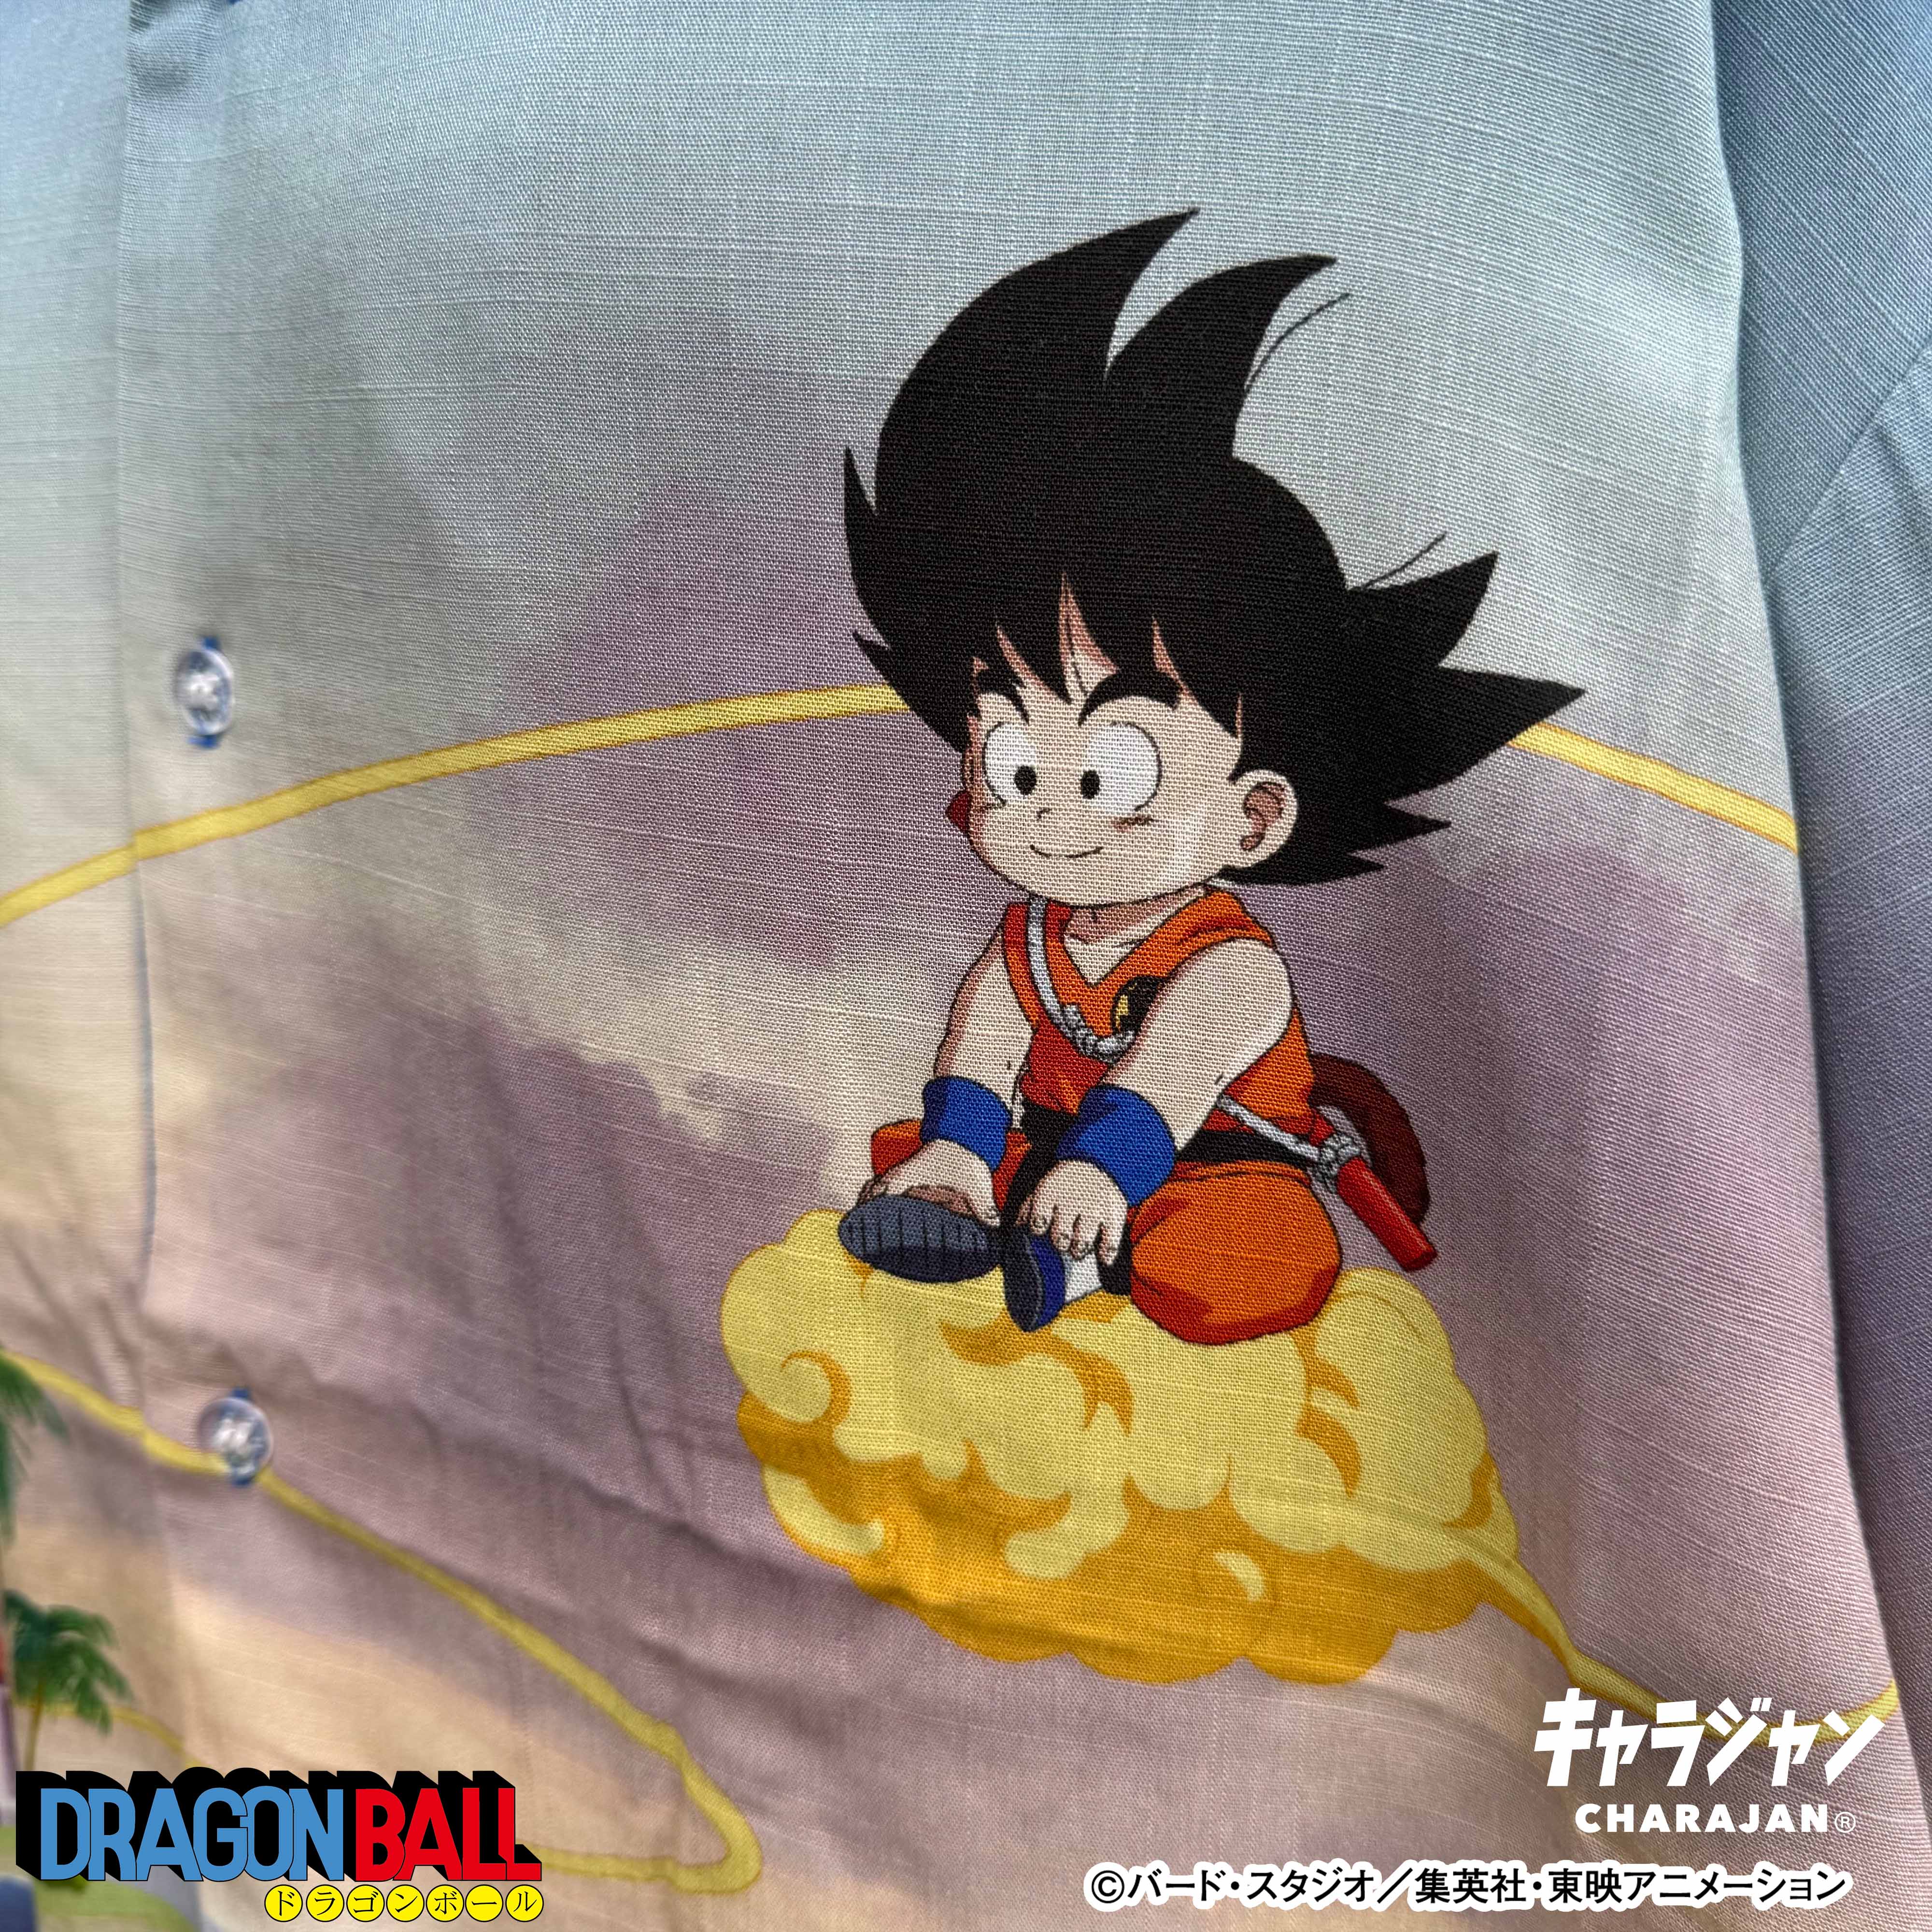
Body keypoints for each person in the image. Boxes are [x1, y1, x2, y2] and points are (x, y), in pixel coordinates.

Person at [835, 214, 1578, 1340]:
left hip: (1209, 1159)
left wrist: (1102, 1175)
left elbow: (1168, 1079)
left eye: (1111, 767)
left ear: (1255, 814)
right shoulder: (1029, 939)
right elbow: (984, 1040)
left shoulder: (1233, 966)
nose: (1042, 809)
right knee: (917, 1145)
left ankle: (1080, 1252)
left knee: (1245, 1256)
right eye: (1012, 759)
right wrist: (958, 1146)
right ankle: (996, 1210)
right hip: (1055, 1143)